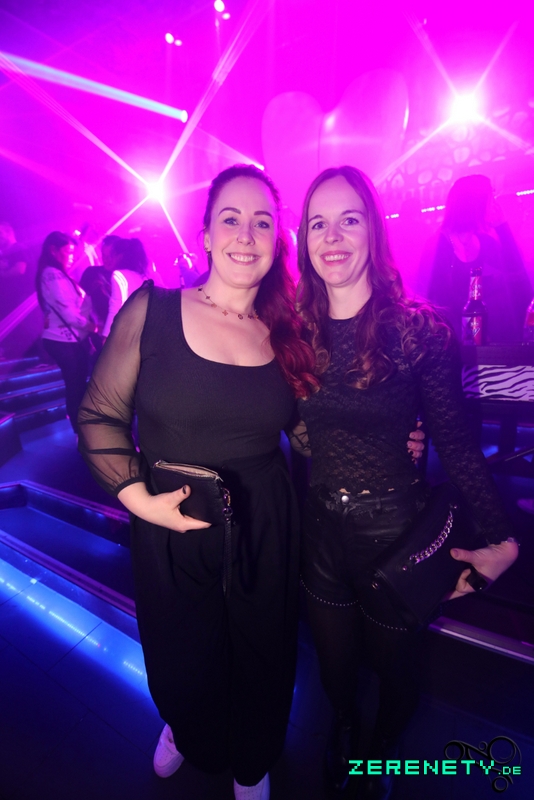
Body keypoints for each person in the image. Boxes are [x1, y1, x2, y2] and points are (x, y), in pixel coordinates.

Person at [77, 164, 321, 800]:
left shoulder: (287, 333)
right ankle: (186, 727)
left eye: (261, 222)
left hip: (265, 523)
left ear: (276, 241)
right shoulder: (153, 311)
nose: (246, 234)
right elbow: (99, 415)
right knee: (183, 652)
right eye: (230, 219)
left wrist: (380, 438)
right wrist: (140, 502)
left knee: (263, 651)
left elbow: (304, 434)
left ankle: (252, 759)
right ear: (206, 234)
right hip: (173, 522)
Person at [292, 166, 519, 799]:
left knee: (396, 675)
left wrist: (501, 536)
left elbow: (456, 441)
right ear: (304, 238)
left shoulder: (420, 330)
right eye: (318, 223)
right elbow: (291, 425)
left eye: (349, 219)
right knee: (335, 671)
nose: (332, 236)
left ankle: (380, 756)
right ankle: (343, 732)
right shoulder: (295, 333)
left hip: (395, 533)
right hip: (319, 531)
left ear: (373, 228)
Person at [423, 174, 531, 343]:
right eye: (491, 197)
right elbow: (438, 300)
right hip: (452, 341)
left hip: (488, 339)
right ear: (476, 203)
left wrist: (502, 227)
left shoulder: (486, 241)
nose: (494, 204)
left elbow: (517, 276)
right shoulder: (438, 245)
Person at [36, 231, 94, 434]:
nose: (71, 256)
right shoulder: (53, 274)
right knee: (76, 385)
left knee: (77, 384)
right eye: (68, 251)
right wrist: (91, 326)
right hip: (62, 339)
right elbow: (69, 314)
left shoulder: (56, 274)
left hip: (66, 338)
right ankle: (81, 430)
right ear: (53, 251)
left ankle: (82, 429)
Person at [101, 237, 149, 338]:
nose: (111, 259)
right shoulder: (142, 277)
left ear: (120, 256)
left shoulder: (119, 275)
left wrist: (107, 336)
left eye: (112, 254)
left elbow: (115, 307)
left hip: (126, 333)